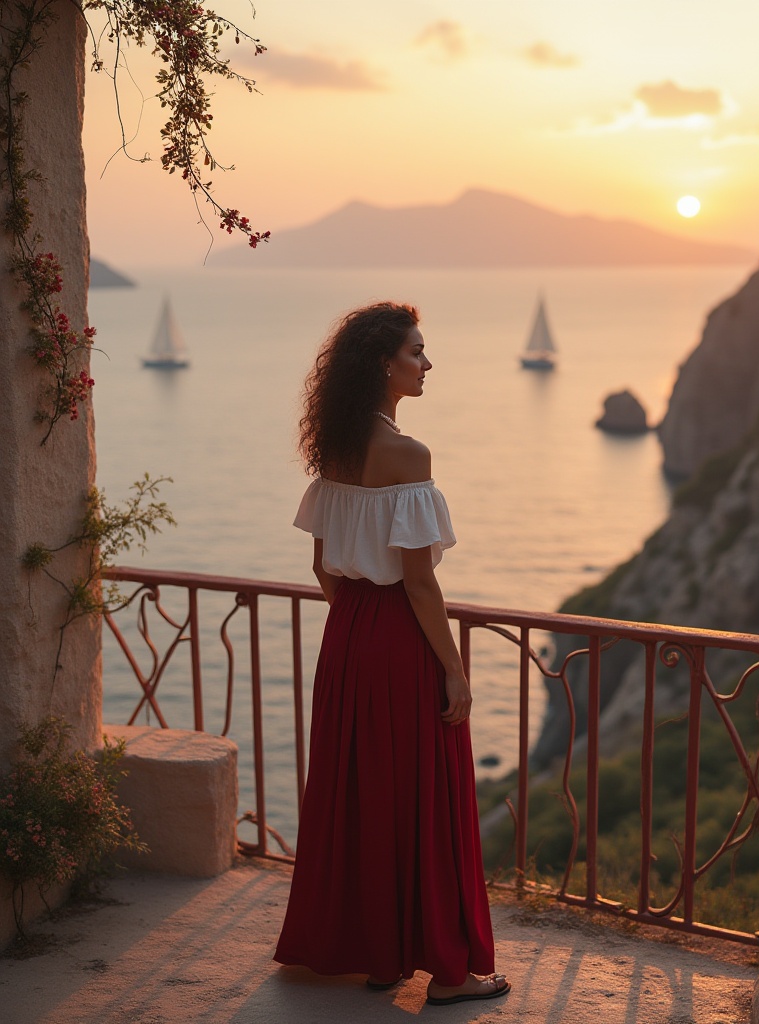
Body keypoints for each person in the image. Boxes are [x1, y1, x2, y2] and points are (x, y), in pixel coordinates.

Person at [273, 302, 510, 1007]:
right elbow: (419, 581)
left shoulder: (337, 450)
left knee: (365, 793)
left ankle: (382, 955)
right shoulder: (409, 456)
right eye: (417, 351)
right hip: (400, 644)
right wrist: (456, 670)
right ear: (385, 363)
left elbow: (323, 567)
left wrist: (356, 629)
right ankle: (450, 972)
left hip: (346, 638)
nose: (426, 364)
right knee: (425, 796)